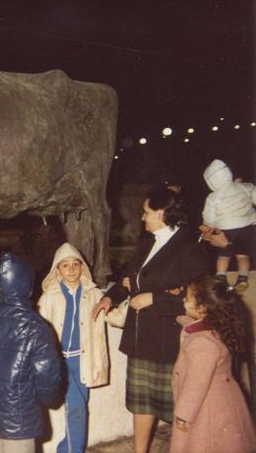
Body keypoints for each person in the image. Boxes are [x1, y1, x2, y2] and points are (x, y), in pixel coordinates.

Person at [94, 187, 208, 453]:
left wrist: (154, 298)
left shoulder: (190, 249)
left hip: (170, 343)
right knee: (141, 403)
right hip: (141, 337)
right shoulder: (148, 242)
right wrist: (110, 297)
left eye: (146, 213)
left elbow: (199, 302)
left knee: (179, 407)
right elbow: (128, 276)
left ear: (162, 213)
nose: (142, 218)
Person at [0, 253, 62, 453]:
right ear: (27, 285)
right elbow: (47, 377)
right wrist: (48, 401)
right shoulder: (36, 326)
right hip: (20, 419)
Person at [38, 243, 121, 453]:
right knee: (76, 408)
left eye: (76, 264)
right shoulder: (49, 297)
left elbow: (112, 315)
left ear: (82, 267)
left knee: (78, 408)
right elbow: (39, 328)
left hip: (84, 360)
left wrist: (133, 309)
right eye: (65, 265)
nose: (72, 269)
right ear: (57, 270)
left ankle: (65, 448)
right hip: (61, 362)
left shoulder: (93, 294)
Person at [170, 277, 256, 453]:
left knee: (204, 443)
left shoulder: (202, 343)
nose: (183, 300)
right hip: (220, 400)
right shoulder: (216, 328)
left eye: (187, 298)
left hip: (206, 407)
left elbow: (196, 383)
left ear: (202, 309)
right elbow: (192, 325)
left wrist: (184, 415)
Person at [200, 159, 256, 291]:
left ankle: (220, 276)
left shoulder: (213, 197)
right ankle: (243, 278)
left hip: (226, 230)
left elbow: (208, 216)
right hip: (247, 227)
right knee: (243, 256)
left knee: (224, 255)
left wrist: (209, 225)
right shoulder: (244, 187)